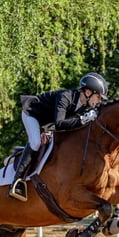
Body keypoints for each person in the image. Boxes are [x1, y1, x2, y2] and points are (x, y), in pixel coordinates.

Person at [9, 72, 108, 201]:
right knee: (35, 143)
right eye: (98, 97)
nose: (99, 101)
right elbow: (60, 123)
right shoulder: (65, 97)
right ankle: (17, 182)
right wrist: (82, 120)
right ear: (88, 92)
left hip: (49, 122)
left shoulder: (84, 106)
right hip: (32, 114)